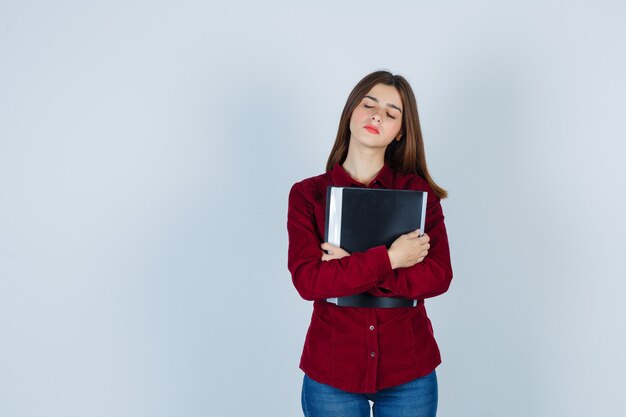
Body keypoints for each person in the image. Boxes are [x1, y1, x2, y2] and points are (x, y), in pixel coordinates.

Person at [287, 70, 453, 417]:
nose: (378, 115)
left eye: (392, 113)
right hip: (332, 373)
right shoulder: (307, 195)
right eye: (369, 105)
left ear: (400, 133)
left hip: (410, 371)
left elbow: (438, 277)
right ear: (351, 111)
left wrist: (350, 269)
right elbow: (309, 281)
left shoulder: (419, 195)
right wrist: (392, 259)